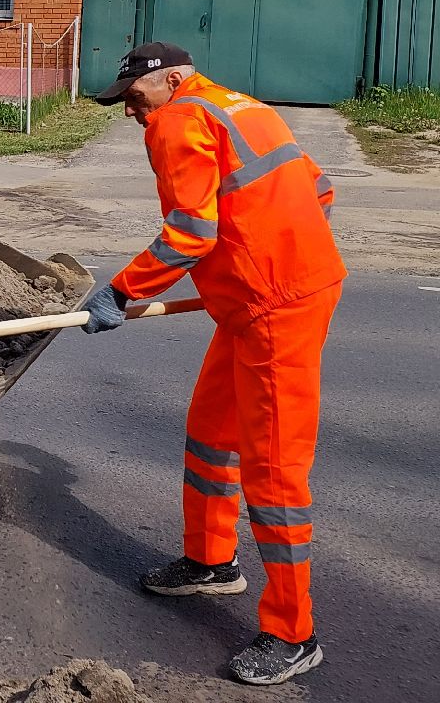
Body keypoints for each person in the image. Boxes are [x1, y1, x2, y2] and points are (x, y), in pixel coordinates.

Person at [82, 42, 345, 686]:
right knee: (209, 432)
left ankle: (293, 632)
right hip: (267, 296)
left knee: (274, 471)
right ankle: (212, 562)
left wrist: (120, 291)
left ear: (170, 80)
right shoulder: (246, 107)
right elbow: (321, 191)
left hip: (274, 309)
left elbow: (190, 235)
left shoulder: (179, 120)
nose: (131, 115)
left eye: (135, 100)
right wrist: (249, 267)